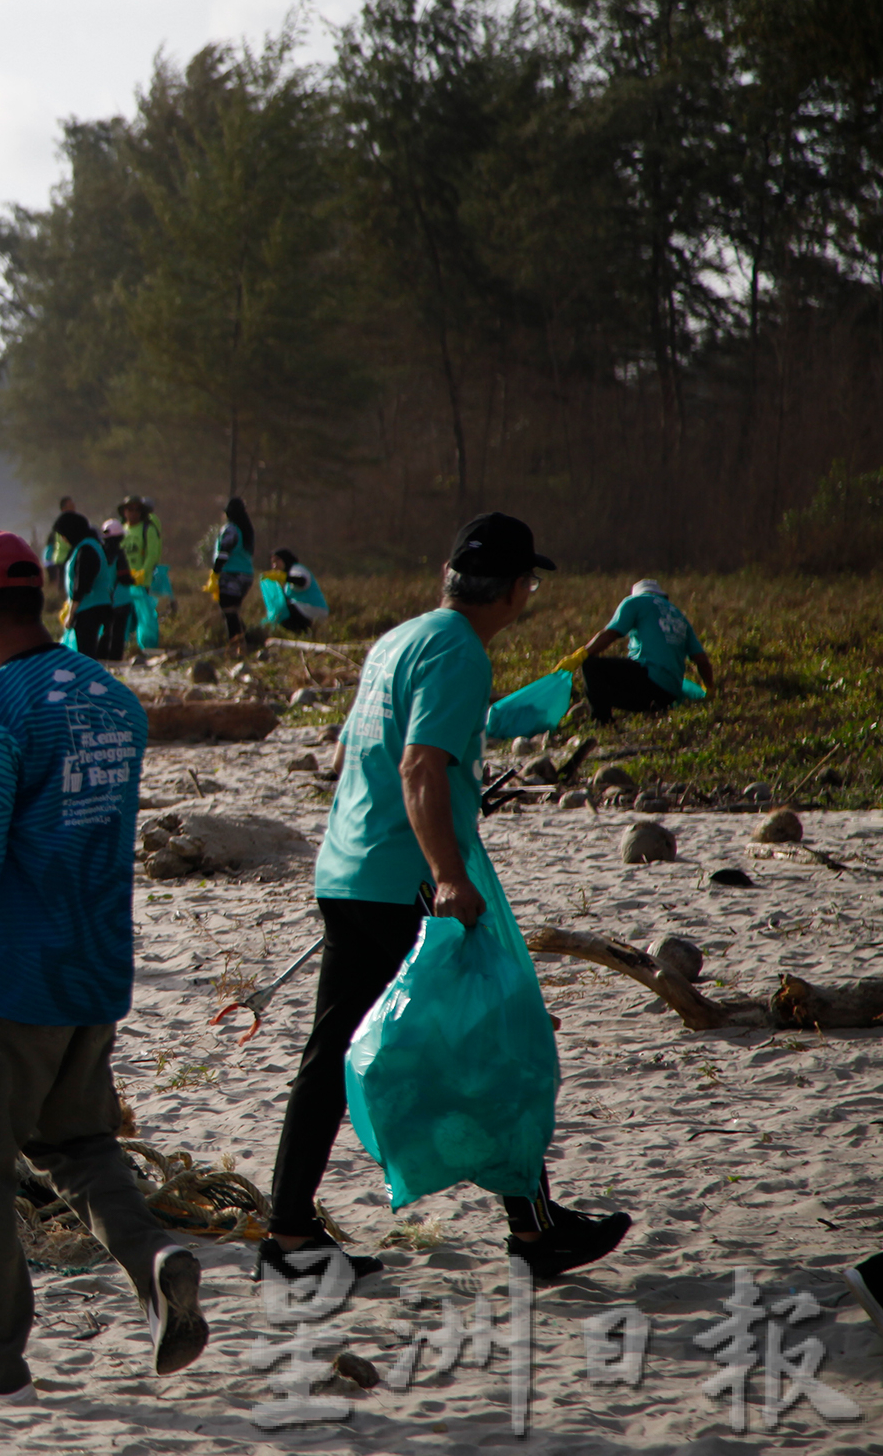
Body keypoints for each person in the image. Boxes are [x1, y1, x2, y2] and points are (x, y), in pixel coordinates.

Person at [264, 513, 629, 1286]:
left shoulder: (401, 638)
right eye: (530, 580)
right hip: (407, 882)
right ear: (518, 590)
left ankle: (291, 1232)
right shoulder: (461, 652)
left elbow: (377, 756)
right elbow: (421, 767)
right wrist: (451, 876)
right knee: (491, 1037)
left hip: (349, 869)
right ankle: (532, 1233)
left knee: (331, 1055)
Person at [0, 528, 202, 1400]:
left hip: (6, 980)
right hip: (92, 971)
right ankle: (156, 1259)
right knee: (79, 1142)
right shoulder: (111, 699)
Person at [559, 579, 713, 723]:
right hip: (669, 696)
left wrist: (581, 655)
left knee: (592, 666)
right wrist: (709, 689)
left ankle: (602, 723)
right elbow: (701, 660)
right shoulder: (678, 615)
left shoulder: (636, 601)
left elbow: (611, 633)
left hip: (648, 684)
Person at [53, 511, 123, 663]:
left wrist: (71, 614)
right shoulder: (92, 545)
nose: (63, 539)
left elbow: (82, 585)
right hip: (98, 605)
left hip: (89, 608)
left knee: (86, 653)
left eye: (63, 534)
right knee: (89, 651)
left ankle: (89, 683)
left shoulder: (86, 549)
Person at [208, 496, 258, 653]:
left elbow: (223, 554)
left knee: (228, 611)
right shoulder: (246, 529)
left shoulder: (230, 529)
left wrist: (214, 574)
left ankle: (236, 645)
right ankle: (246, 640)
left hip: (231, 576)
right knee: (233, 611)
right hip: (246, 576)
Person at [118, 496, 165, 653]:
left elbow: (152, 555)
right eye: (129, 509)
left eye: (136, 509)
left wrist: (142, 573)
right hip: (123, 583)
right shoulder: (121, 530)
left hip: (141, 582)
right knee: (122, 618)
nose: (133, 513)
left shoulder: (148, 529)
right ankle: (122, 648)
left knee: (144, 616)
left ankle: (147, 648)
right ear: (124, 511)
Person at [266, 549, 329, 635]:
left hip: (314, 608)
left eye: (277, 561)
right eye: (273, 563)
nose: (274, 566)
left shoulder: (297, 568)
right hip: (305, 609)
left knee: (282, 611)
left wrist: (283, 577)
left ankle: (304, 632)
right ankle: (304, 634)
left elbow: (301, 581)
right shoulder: (288, 576)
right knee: (279, 611)